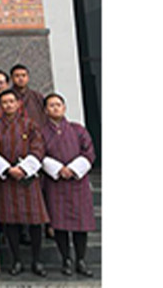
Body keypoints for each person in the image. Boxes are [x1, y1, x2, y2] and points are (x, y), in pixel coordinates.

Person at [0, 90, 50, 276]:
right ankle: (16, 260)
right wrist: (8, 169)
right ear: (0, 105)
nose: (8, 105)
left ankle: (37, 260)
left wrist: (24, 169)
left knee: (35, 221)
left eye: (11, 101)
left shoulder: (30, 124)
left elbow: (38, 148)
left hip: (28, 178)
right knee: (10, 222)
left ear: (18, 104)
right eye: (4, 102)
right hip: (7, 178)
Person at [39, 93, 96, 277]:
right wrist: (58, 169)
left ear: (64, 108)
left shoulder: (78, 129)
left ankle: (80, 259)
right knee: (59, 224)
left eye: (58, 105)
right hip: (55, 182)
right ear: (45, 110)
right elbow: (39, 154)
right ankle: (66, 259)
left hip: (77, 182)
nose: (55, 108)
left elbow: (89, 152)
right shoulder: (41, 132)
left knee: (81, 224)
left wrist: (72, 169)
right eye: (51, 105)